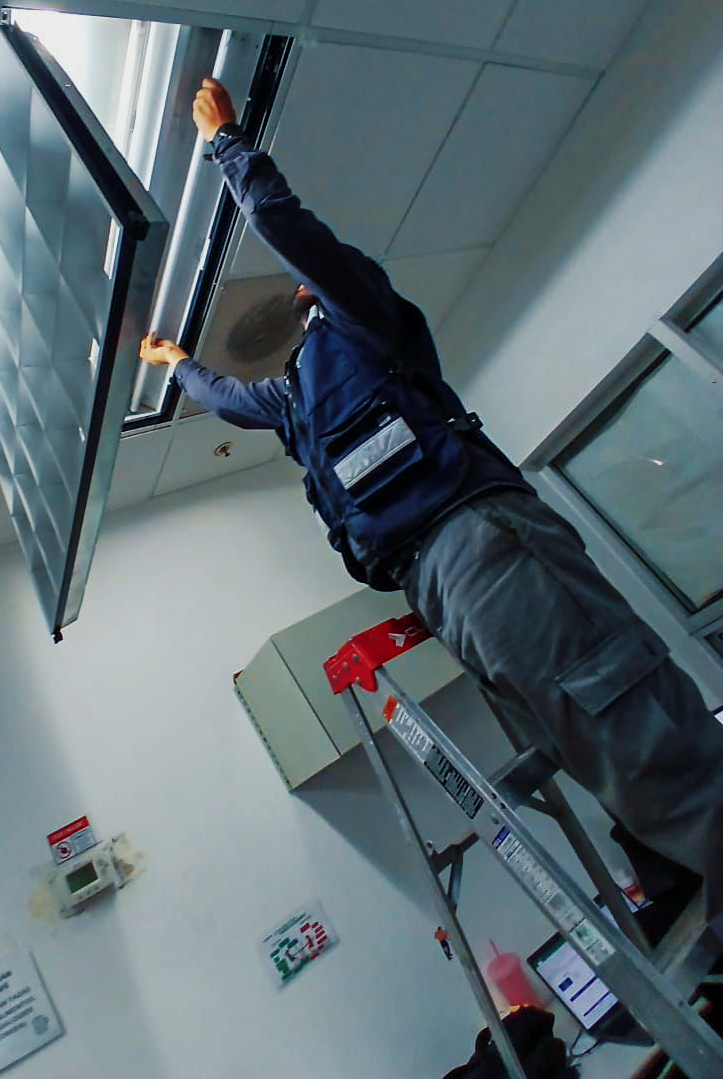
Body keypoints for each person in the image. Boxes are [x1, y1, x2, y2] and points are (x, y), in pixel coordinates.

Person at [139, 77, 723, 930]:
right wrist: (177, 365)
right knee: (572, 729)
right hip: (435, 583)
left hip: (485, 542)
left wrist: (227, 145)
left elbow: (293, 232)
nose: (300, 294)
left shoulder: (364, 321)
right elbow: (228, 400)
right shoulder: (297, 399)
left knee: (616, 702)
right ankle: (682, 881)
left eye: (306, 287)